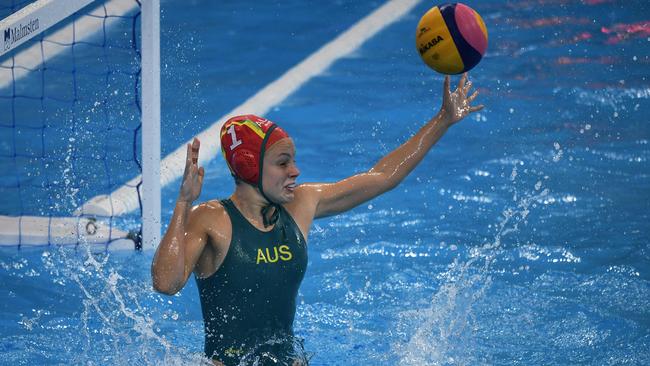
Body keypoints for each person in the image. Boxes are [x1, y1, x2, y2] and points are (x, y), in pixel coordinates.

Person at [151, 74, 483, 365]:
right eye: (283, 163)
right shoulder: (212, 219)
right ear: (251, 166)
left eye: (293, 161)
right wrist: (183, 204)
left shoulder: (302, 204)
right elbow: (166, 284)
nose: (294, 171)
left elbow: (382, 177)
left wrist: (442, 120)